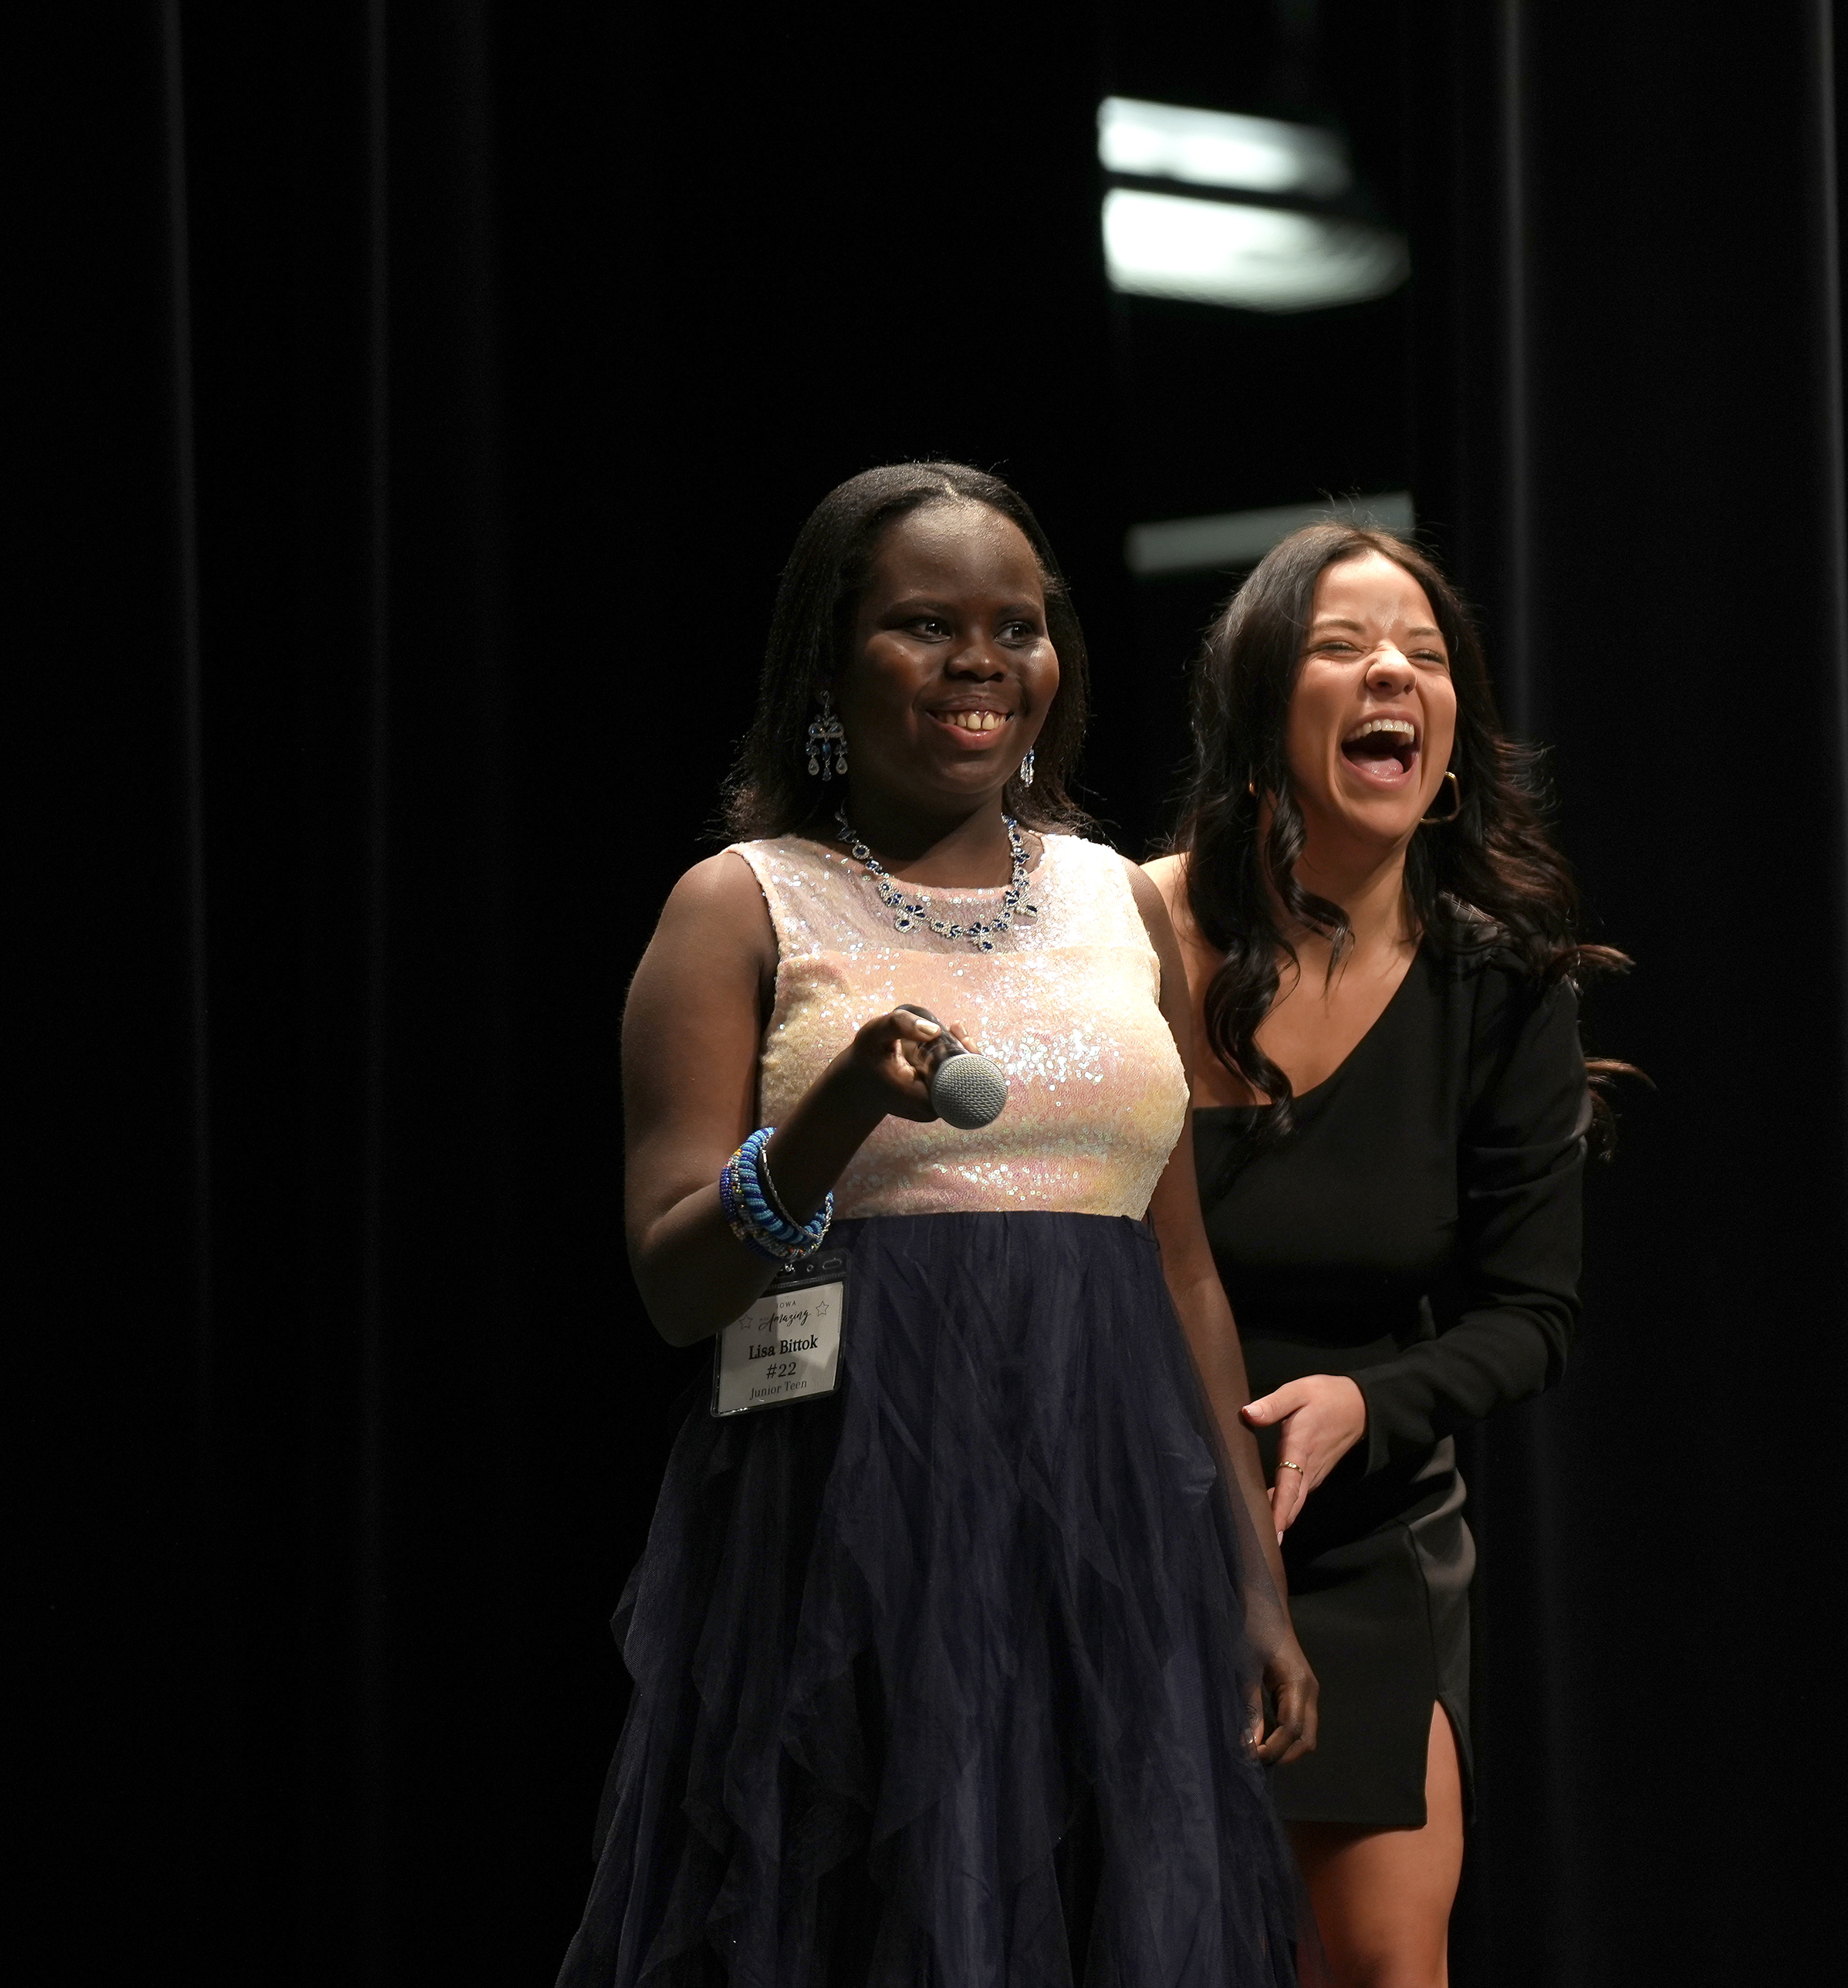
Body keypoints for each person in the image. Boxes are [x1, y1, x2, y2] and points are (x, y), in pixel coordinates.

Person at [563, 463, 1314, 1988]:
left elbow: (1177, 1264)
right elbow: (672, 1278)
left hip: (1105, 1528)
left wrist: (1252, 1579)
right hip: (844, 1534)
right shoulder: (741, 905)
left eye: (1017, 627)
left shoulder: (1124, 903)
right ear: (829, 669)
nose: (982, 661)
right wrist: (830, 1117)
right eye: (925, 624)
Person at [1148, 524, 1617, 1988]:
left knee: (1379, 1960)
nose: (1392, 674)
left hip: (1355, 1540)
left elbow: (1533, 1314)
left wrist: (1370, 1402)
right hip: (1123, 1507)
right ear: (1260, 705)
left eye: (1422, 654)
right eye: (1345, 646)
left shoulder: (1500, 983)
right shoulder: (1129, 928)